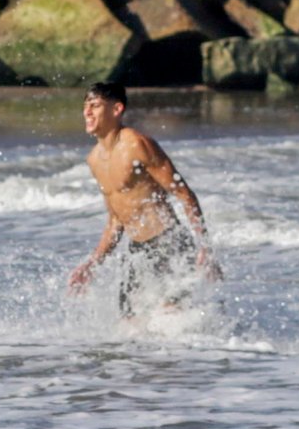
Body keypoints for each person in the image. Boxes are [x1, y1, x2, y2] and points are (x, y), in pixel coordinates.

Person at [68, 81, 215, 316]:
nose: (87, 112)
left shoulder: (138, 144)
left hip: (169, 243)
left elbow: (184, 194)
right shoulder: (94, 159)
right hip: (137, 250)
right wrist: (92, 264)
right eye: (85, 106)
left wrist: (204, 248)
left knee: (170, 317)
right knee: (129, 323)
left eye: (94, 106)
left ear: (116, 109)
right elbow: (116, 220)